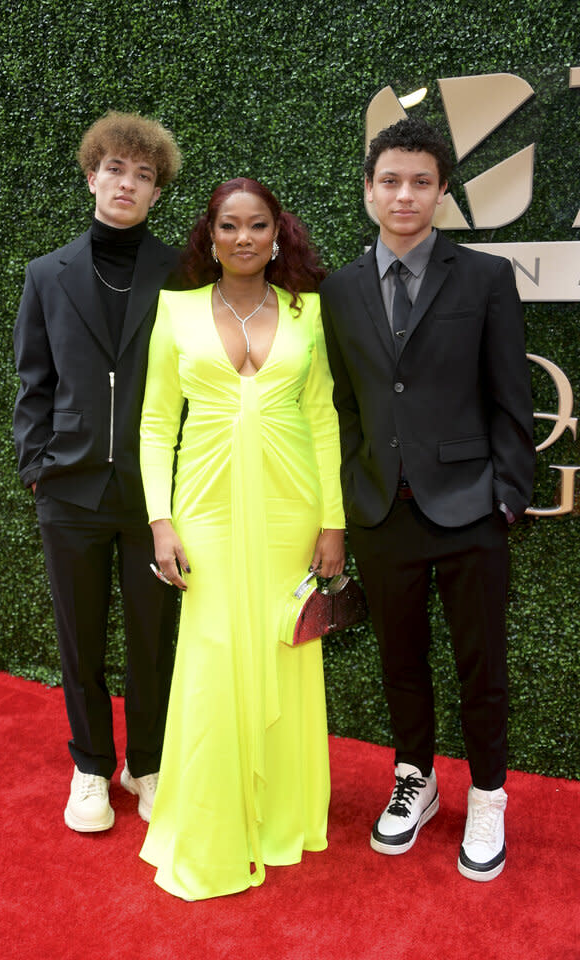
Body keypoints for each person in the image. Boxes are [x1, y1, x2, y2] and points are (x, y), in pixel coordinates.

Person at [320, 117, 535, 882]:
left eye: (420, 181)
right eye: (390, 180)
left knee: (483, 666)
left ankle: (487, 793)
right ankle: (418, 775)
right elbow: (343, 406)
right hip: (382, 512)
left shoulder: (483, 277)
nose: (404, 194)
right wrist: (347, 500)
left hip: (471, 507)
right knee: (400, 662)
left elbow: (512, 398)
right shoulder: (339, 289)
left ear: (443, 193)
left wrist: (507, 497)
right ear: (369, 190)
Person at [138, 177, 345, 900]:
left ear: (278, 233)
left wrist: (334, 521)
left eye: (259, 225)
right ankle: (214, 819)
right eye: (231, 226)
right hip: (206, 508)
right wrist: (160, 519)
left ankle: (281, 813)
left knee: (284, 648)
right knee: (214, 649)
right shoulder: (177, 311)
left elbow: (322, 417)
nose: (246, 238)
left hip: (294, 505)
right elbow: (157, 422)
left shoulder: (307, 312)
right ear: (211, 234)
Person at [13, 111, 182, 832]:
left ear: (155, 193)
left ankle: (145, 765)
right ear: (92, 175)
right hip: (71, 489)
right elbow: (34, 382)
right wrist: (38, 467)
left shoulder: (181, 272)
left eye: (143, 176)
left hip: (155, 498)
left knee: (154, 635)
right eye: (116, 169)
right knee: (79, 637)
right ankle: (89, 768)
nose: (127, 183)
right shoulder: (45, 274)